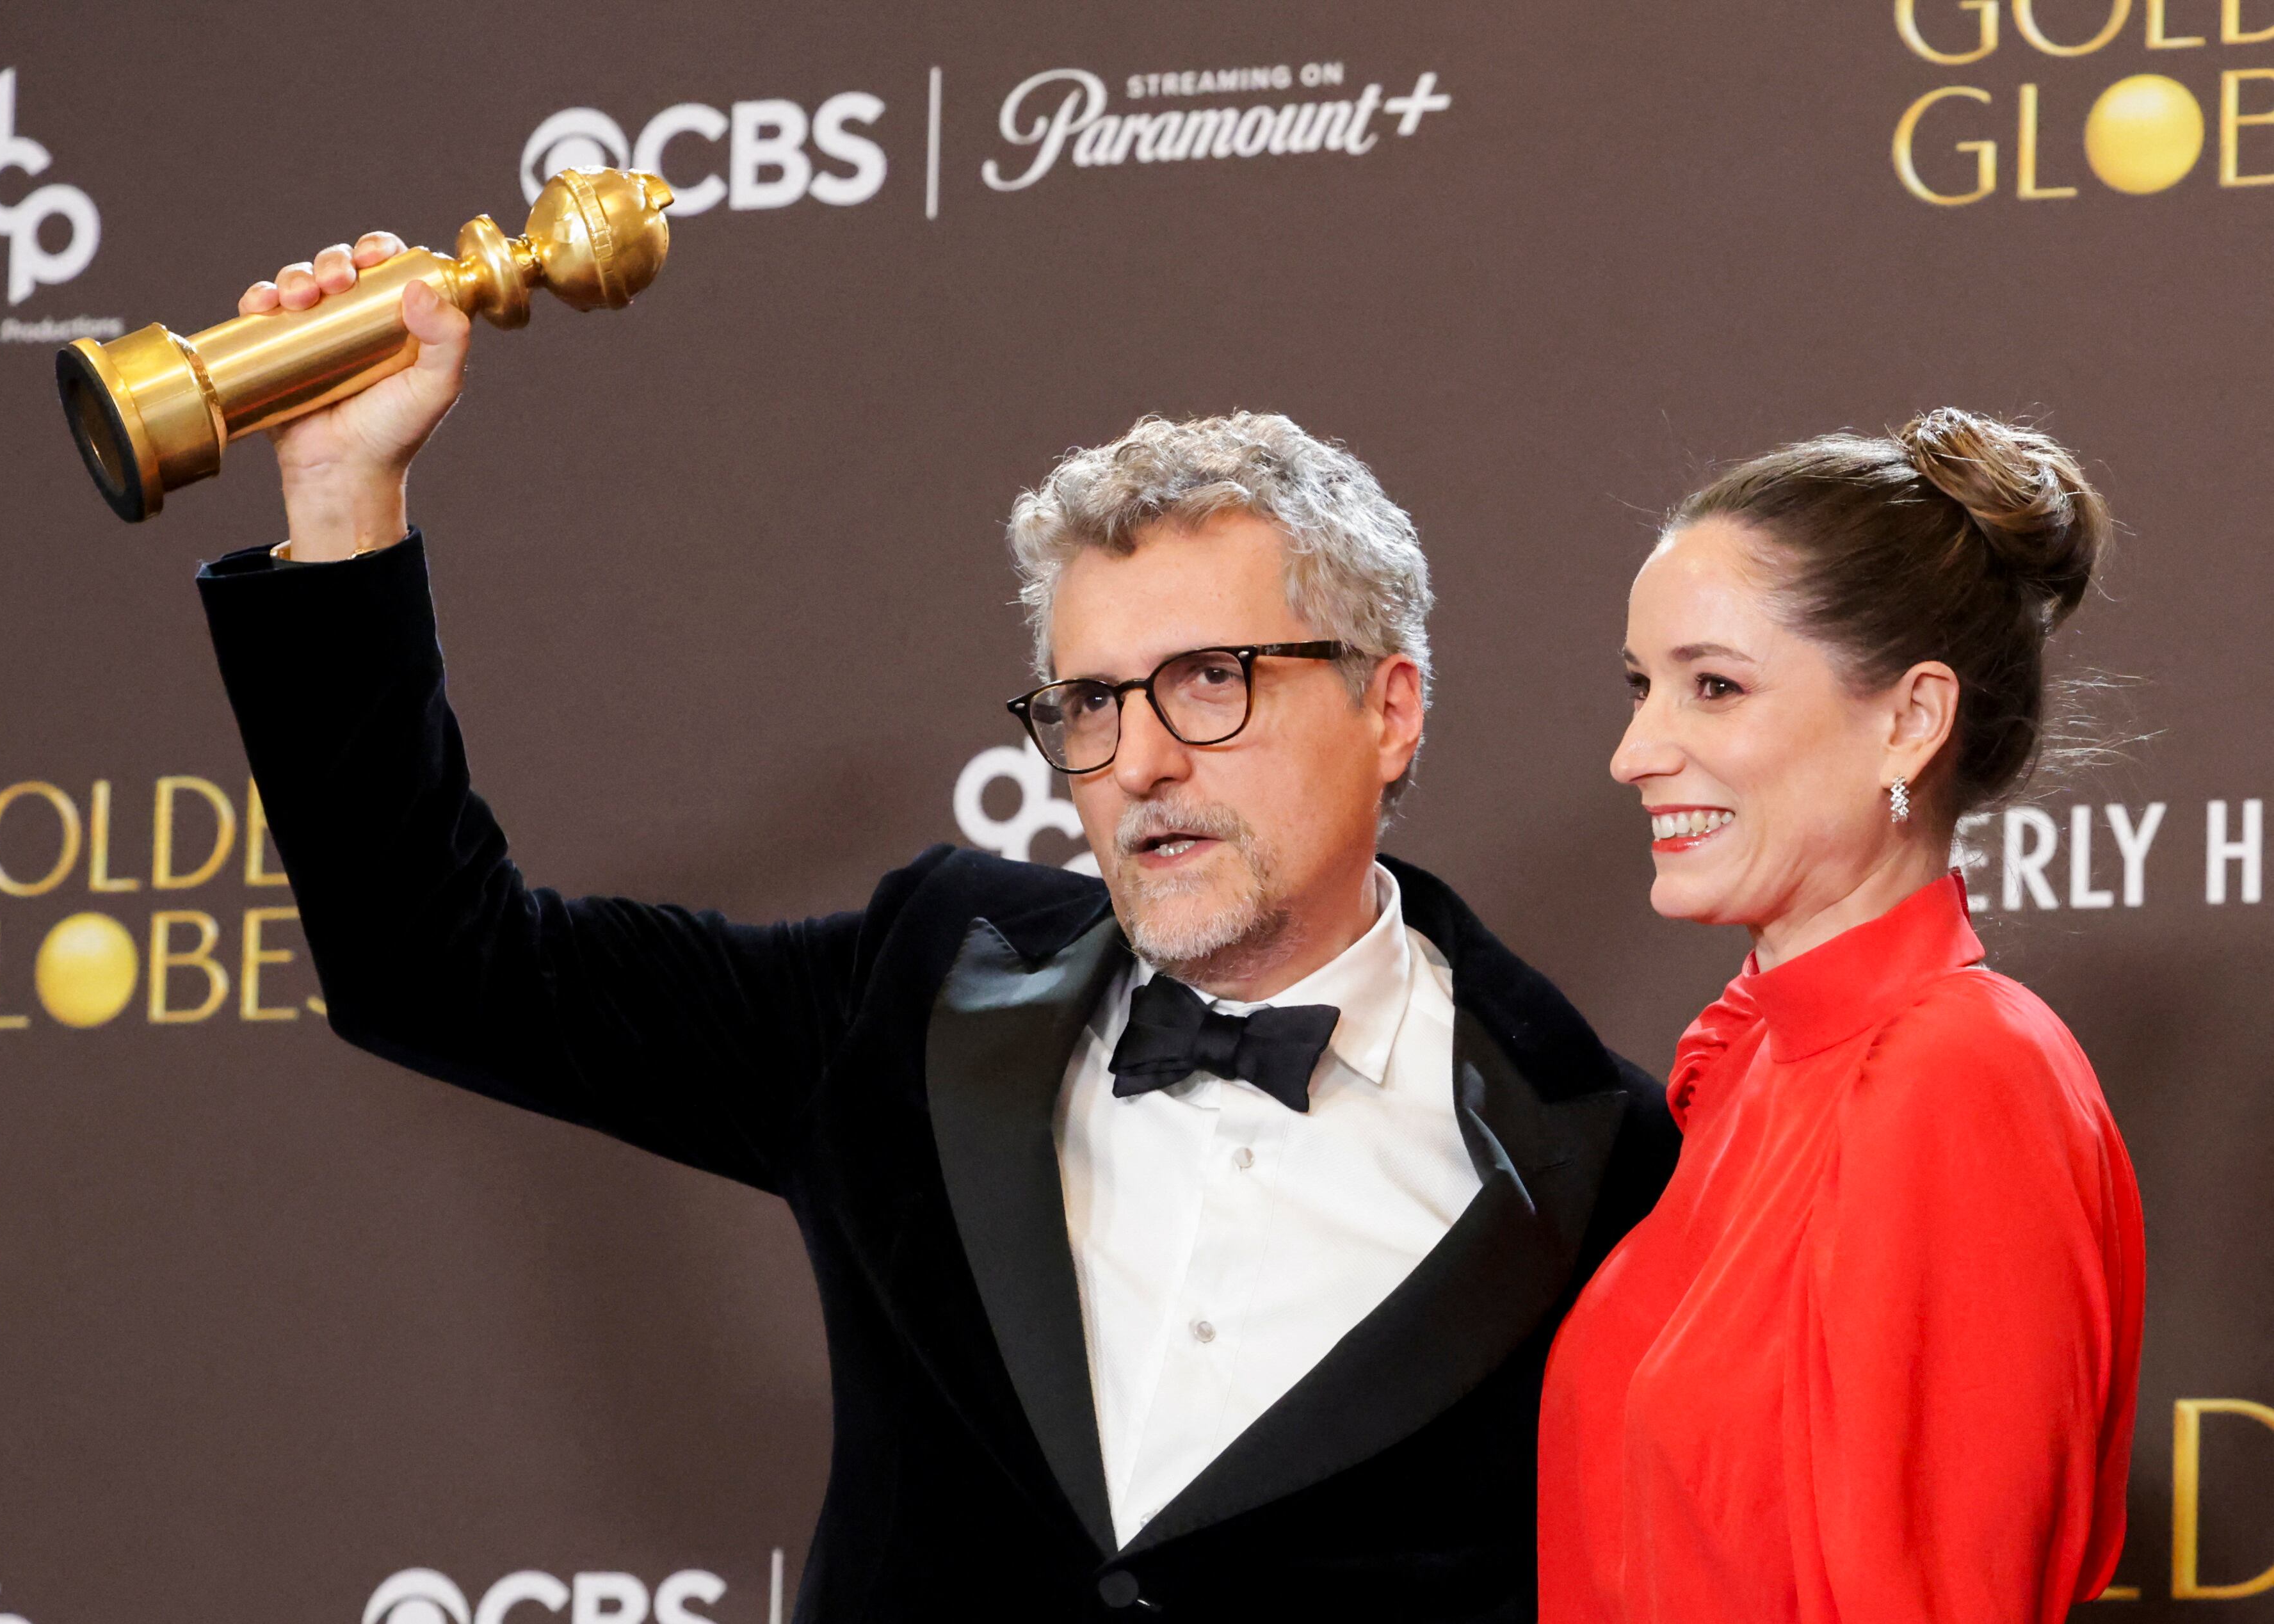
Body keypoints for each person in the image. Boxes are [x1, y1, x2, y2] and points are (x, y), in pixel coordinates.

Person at [195, 234, 1677, 1621]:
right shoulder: (920, 989)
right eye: (1089, 703)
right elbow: (440, 966)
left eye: (1211, 679)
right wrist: (342, 505)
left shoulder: (1602, 1154)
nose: (1141, 762)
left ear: (1388, 708)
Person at [1539, 410, 2147, 1623]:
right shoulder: (1756, 1058)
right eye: (1641, 686)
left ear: (1910, 719)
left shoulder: (1962, 1071)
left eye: (1712, 685)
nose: (1634, 749)